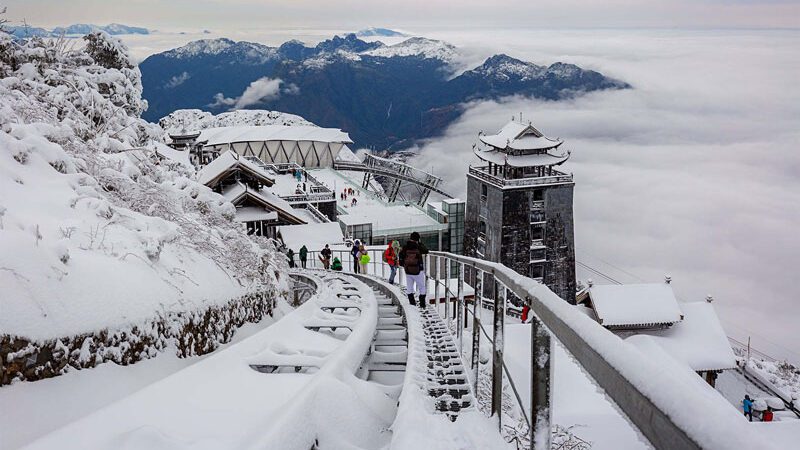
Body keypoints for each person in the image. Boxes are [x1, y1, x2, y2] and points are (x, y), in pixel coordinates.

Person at [399, 231, 429, 308]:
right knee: (422, 287)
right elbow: (426, 251)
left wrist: (405, 265)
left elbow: (401, 255)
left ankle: (412, 303)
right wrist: (420, 243)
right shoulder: (418, 246)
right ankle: (422, 304)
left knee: (409, 287)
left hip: (408, 270)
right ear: (418, 239)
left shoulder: (406, 246)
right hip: (418, 270)